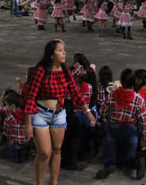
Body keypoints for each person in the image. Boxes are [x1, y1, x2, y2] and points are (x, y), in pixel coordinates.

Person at [24, 40, 95, 185]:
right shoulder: (41, 71)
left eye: (64, 50)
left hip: (59, 114)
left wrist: (88, 111)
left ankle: (53, 182)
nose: (64, 53)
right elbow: (30, 97)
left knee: (57, 150)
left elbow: (75, 92)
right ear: (51, 55)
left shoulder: (65, 71)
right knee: (44, 153)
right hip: (40, 113)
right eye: (60, 50)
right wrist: (28, 123)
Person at [95, 68, 146, 180]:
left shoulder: (111, 95)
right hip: (130, 130)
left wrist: (107, 121)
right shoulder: (138, 99)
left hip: (113, 127)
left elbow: (102, 112)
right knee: (130, 149)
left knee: (110, 146)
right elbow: (144, 121)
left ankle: (110, 164)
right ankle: (127, 166)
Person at [1, 92, 31, 162]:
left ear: (13, 106)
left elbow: (6, 134)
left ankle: (14, 156)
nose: (5, 107)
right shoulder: (26, 115)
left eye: (7, 105)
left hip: (14, 143)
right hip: (26, 142)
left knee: (3, 152)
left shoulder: (10, 118)